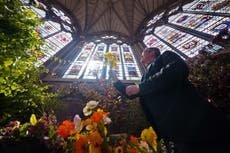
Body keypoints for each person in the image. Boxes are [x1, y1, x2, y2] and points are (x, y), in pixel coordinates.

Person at [112, 47, 230, 153]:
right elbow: (132, 93)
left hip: (195, 123)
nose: (141, 56)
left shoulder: (165, 56)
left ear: (151, 52)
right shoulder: (144, 78)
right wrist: (116, 81)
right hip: (174, 133)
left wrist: (140, 87)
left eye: (142, 53)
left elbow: (178, 68)